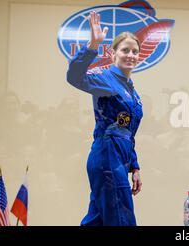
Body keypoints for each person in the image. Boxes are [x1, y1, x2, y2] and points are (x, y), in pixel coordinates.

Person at [66, 11, 143, 226]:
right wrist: (92, 46)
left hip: (119, 160)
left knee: (97, 221)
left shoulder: (131, 90)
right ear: (113, 54)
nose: (130, 55)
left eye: (135, 51)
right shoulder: (106, 79)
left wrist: (134, 166)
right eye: (125, 50)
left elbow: (126, 129)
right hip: (107, 158)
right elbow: (74, 77)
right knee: (122, 220)